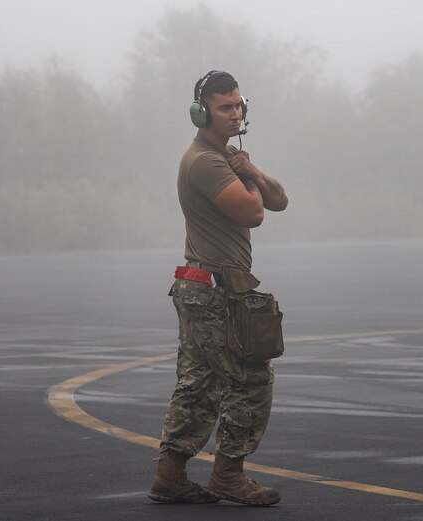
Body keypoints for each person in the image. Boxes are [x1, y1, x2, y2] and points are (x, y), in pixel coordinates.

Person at [148, 70, 288, 506]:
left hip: (203, 286)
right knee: (250, 380)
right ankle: (228, 475)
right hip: (215, 289)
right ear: (200, 112)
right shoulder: (205, 162)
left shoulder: (226, 158)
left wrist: (252, 169)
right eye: (224, 107)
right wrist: (248, 179)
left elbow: (280, 199)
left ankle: (169, 476)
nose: (234, 113)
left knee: (199, 385)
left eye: (238, 105)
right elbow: (255, 213)